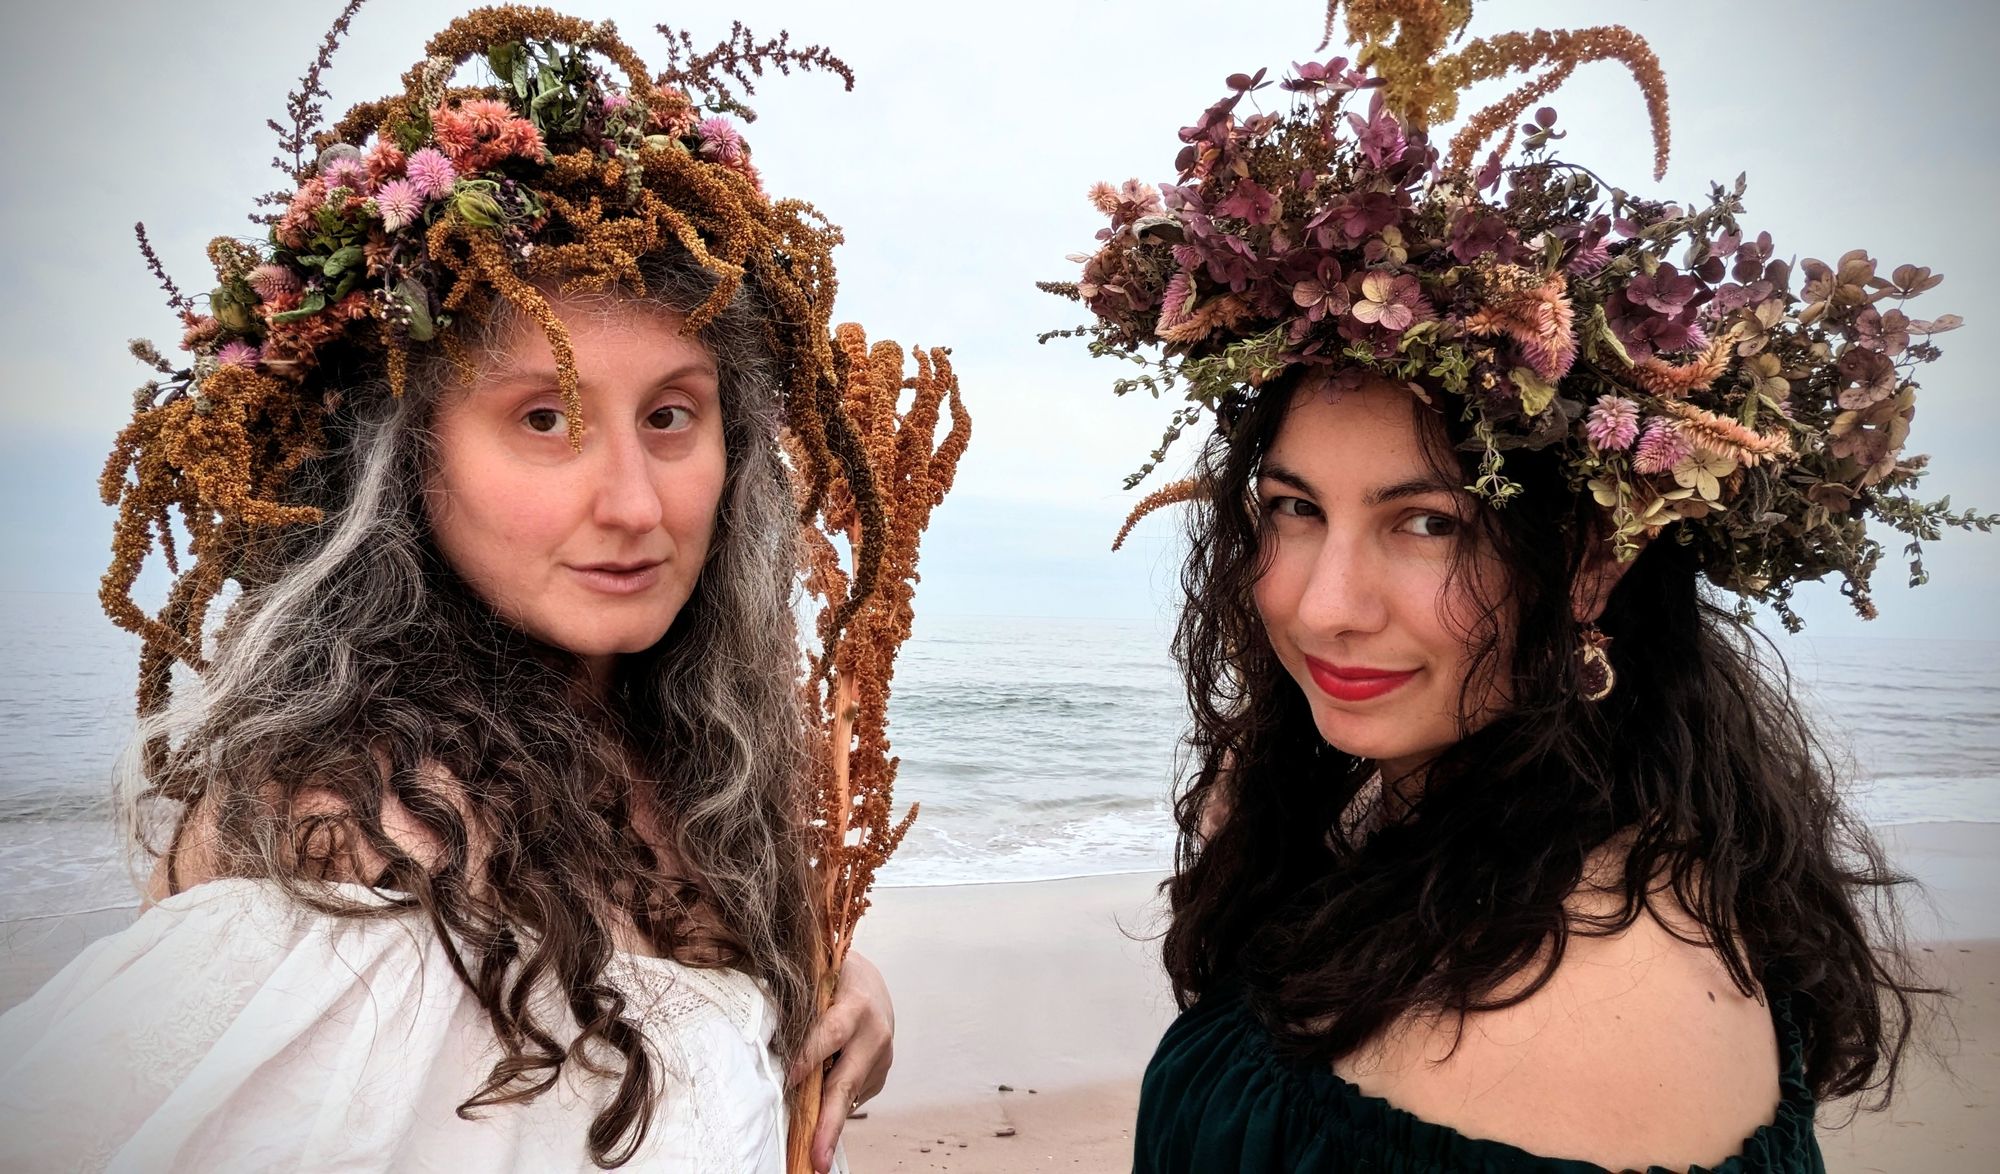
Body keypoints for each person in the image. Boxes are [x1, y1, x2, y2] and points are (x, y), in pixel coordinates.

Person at [1049, 2, 1992, 1170]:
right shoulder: (1441, 821)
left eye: (1427, 522)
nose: (1320, 603)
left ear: (1591, 558)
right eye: (1294, 509)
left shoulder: (1578, 1029)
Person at [0, 6, 911, 1171]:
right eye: (545, 419)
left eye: (671, 415)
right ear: (401, 457)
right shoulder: (359, 853)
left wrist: (832, 992)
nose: (635, 502)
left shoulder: (691, 760)